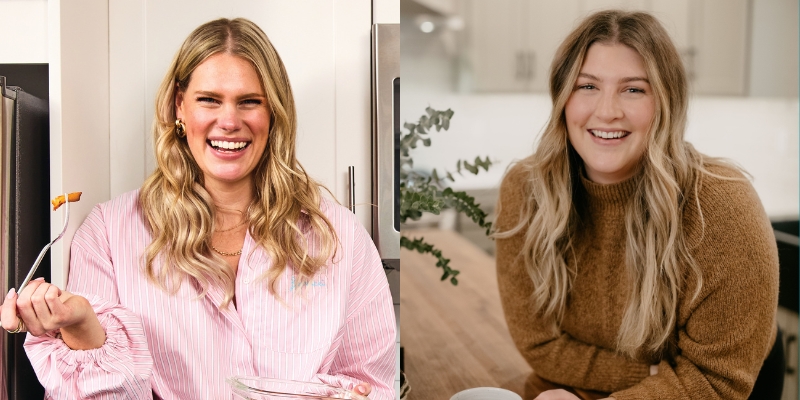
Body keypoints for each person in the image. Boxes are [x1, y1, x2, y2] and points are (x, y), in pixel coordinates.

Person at [0, 18, 396, 399]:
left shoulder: (338, 236)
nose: (229, 121)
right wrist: (85, 329)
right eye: (209, 100)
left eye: (249, 102)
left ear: (273, 114)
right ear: (179, 107)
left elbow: (372, 382)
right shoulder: (108, 234)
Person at [494, 10, 782, 400]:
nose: (608, 110)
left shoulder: (720, 206)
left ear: (666, 101)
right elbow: (540, 347)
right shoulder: (526, 191)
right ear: (562, 98)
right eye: (587, 86)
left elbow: (715, 382)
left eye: (633, 89)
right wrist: (651, 373)